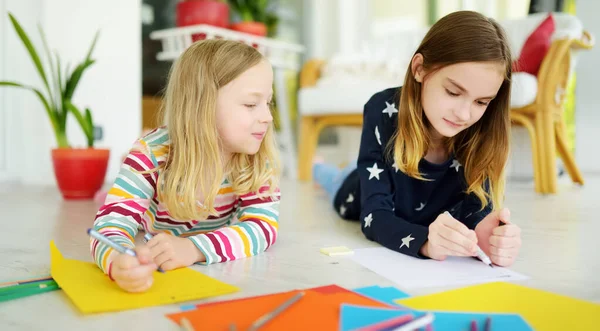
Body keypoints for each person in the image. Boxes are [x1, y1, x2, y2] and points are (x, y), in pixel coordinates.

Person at [313, 11, 522, 267]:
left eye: (481, 102)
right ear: (419, 69)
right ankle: (319, 166)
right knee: (334, 179)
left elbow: (475, 212)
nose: (464, 114)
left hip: (394, 188)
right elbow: (375, 217)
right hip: (356, 188)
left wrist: (488, 234)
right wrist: (425, 243)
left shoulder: (482, 131)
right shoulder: (381, 109)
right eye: (453, 92)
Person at [90, 39, 281, 293]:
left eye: (268, 102)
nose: (267, 116)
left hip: (198, 239)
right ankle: (117, 190)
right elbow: (109, 225)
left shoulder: (256, 157)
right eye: (250, 104)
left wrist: (194, 249)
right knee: (119, 202)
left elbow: (263, 226)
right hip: (153, 225)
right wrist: (117, 262)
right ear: (203, 106)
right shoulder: (150, 155)